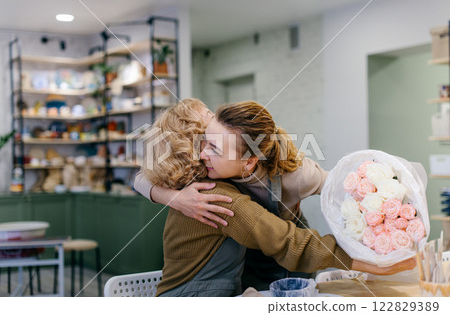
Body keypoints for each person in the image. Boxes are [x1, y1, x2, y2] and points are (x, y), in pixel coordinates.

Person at [137, 98, 415, 297]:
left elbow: (342, 188)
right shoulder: (208, 194)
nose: (214, 121)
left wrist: (391, 209)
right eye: (205, 139)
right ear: (191, 145)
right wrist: (172, 198)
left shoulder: (292, 173)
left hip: (270, 273)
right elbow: (285, 241)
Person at [136, 100, 329, 290]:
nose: (213, 118)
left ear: (249, 162)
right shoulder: (211, 168)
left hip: (290, 261)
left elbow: (338, 186)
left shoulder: (294, 175)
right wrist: (177, 199)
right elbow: (140, 180)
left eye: (211, 113)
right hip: (250, 259)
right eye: (208, 117)